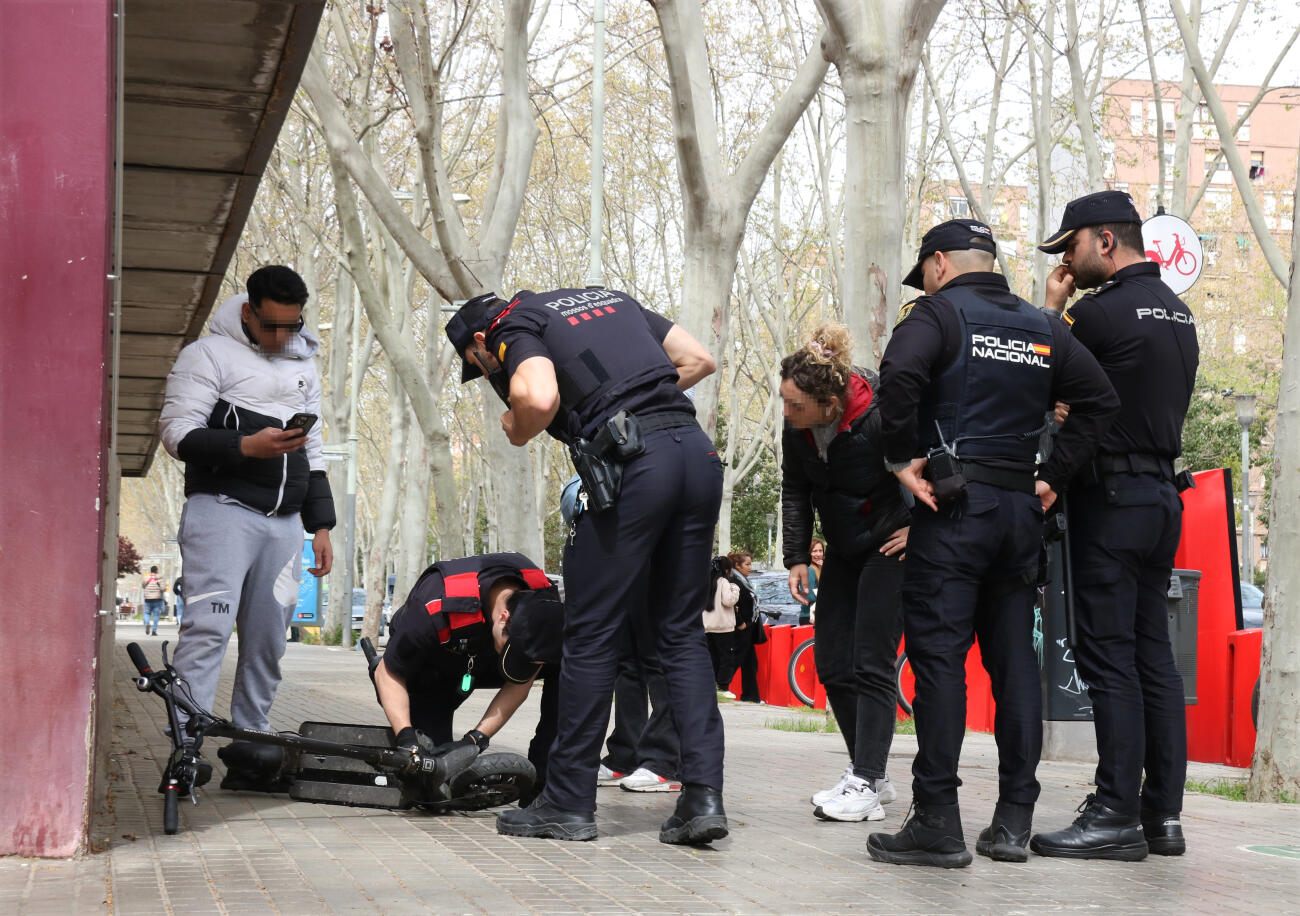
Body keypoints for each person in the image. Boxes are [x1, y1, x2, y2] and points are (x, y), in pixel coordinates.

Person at [867, 219, 1118, 868]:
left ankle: (939, 822)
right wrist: (1051, 477)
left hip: (953, 511)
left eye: (923, 271)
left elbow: (896, 376)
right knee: (1013, 668)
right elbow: (1098, 399)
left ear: (941, 263)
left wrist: (901, 459)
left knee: (940, 663)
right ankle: (1012, 823)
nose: (923, 282)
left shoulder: (938, 314)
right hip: (1017, 516)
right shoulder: (1040, 327)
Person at [448, 287, 725, 845]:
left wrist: (519, 426)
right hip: (696, 454)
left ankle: (568, 803)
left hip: (637, 471)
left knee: (591, 635)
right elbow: (699, 360)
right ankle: (702, 798)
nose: (488, 374)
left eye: (481, 368)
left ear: (480, 342)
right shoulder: (609, 300)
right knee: (680, 634)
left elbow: (541, 398)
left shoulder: (511, 326)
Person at [1029, 191, 1199, 861]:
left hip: (1114, 499)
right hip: (1162, 496)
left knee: (1107, 658)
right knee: (1152, 657)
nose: (1065, 261)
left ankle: (1114, 812)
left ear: (1105, 241)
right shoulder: (1179, 314)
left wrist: (1051, 309)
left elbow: (1034, 377)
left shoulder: (1097, 314)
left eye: (1069, 247)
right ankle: (1163, 818)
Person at [158, 266, 334, 788]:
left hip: (284, 526)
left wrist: (320, 525)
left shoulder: (305, 363)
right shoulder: (206, 355)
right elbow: (176, 433)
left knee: (267, 641)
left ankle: (253, 749)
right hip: (222, 511)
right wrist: (245, 447)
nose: (283, 337)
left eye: (292, 326)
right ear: (247, 312)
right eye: (272, 326)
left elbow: (316, 450)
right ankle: (186, 747)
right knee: (208, 630)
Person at [780, 324, 911, 823]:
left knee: (872, 663)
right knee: (833, 663)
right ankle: (869, 774)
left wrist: (919, 528)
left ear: (830, 403)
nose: (787, 413)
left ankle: (868, 784)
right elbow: (795, 488)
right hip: (842, 548)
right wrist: (796, 555)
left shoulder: (883, 413)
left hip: (890, 544)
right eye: (785, 402)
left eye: (796, 405)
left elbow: (934, 464)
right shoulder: (799, 429)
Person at [371, 553, 562, 799]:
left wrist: (477, 738)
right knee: (429, 777)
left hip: (483, 660)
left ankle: (546, 784)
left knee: (569, 666)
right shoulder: (432, 606)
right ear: (503, 617)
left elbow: (520, 682)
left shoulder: (544, 605)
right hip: (435, 667)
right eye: (512, 652)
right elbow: (386, 674)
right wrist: (406, 737)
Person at [726, 552, 763, 703]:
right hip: (741, 629)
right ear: (737, 565)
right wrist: (740, 622)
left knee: (750, 663)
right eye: (747, 564)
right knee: (735, 660)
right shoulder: (734, 580)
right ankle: (718, 687)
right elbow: (732, 604)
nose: (750, 567)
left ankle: (751, 697)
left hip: (748, 628)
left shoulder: (743, 580)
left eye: (750, 564)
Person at [702, 556, 740, 695]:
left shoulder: (705, 582)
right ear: (727, 570)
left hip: (707, 626)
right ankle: (723, 687)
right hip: (723, 627)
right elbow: (729, 601)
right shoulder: (723, 582)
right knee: (726, 658)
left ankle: (711, 686)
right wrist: (735, 588)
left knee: (711, 657)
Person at [803, 538, 824, 626]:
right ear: (809, 553)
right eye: (814, 551)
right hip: (810, 616)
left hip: (818, 614)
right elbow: (809, 595)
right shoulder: (809, 569)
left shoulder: (819, 568)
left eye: (820, 551)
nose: (818, 554)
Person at [141, 566, 165, 636]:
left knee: (146, 613)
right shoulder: (160, 578)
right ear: (156, 571)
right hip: (157, 600)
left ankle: (147, 623)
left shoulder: (146, 578)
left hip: (147, 599)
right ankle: (154, 631)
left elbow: (143, 586)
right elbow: (163, 589)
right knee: (156, 615)